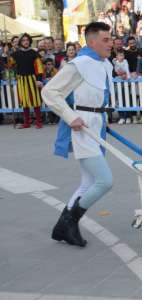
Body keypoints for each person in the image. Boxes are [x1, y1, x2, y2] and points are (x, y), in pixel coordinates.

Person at [41, 22, 114, 247]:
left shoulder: (105, 64)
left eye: (110, 39)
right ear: (91, 42)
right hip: (81, 127)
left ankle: (63, 226)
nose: (111, 44)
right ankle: (70, 221)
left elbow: (98, 97)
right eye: (106, 40)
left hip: (96, 124)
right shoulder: (79, 64)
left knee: (89, 181)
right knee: (104, 181)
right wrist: (70, 117)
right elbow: (50, 92)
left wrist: (105, 118)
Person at [4, 33, 45, 129]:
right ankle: (26, 122)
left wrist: (39, 80)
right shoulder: (16, 54)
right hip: (22, 79)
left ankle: (38, 121)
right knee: (24, 101)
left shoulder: (34, 54)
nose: (26, 42)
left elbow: (39, 67)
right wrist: (5, 54)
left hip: (32, 79)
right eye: (23, 40)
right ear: (20, 42)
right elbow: (8, 65)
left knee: (35, 100)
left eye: (27, 40)